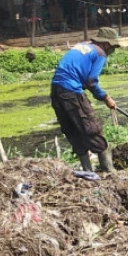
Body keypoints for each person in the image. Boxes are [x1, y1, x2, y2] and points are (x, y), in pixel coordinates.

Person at [51, 27, 123, 172]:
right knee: (91, 128)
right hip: (71, 92)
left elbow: (81, 77)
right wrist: (106, 98)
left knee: (72, 130)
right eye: (113, 46)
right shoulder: (100, 53)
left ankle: (87, 171)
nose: (112, 50)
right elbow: (91, 81)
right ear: (107, 44)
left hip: (56, 90)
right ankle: (109, 169)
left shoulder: (83, 47)